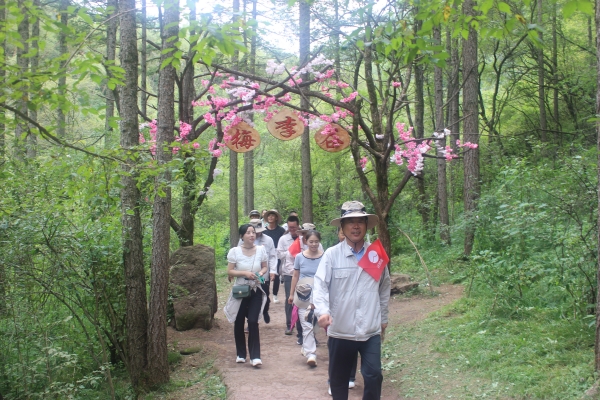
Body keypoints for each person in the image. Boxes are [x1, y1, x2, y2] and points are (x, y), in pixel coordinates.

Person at [314, 201, 391, 400]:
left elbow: (384, 288)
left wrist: (383, 318)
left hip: (370, 330)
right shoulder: (332, 255)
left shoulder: (376, 255)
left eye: (360, 221)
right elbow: (320, 286)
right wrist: (322, 311)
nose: (355, 226)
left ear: (366, 226)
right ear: (342, 226)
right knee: (338, 380)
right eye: (350, 222)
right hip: (341, 329)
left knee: (374, 375)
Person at [224, 224, 269, 367]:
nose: (252, 235)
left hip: (256, 289)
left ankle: (255, 356)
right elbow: (230, 271)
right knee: (239, 321)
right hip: (240, 290)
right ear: (242, 236)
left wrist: (260, 273)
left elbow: (265, 266)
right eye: (248, 232)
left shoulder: (261, 250)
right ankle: (241, 354)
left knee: (253, 321)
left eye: (253, 232)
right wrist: (244, 273)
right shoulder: (234, 251)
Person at [288, 229, 323, 367]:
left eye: (316, 242)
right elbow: (295, 276)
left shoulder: (325, 257)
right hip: (303, 294)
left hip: (320, 294)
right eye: (311, 241)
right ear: (305, 242)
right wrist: (291, 294)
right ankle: (311, 354)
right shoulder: (299, 257)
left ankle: (307, 346)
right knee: (306, 323)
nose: (314, 244)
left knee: (316, 322)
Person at [238, 218, 277, 323]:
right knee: (248, 297)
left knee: (264, 293)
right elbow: (238, 255)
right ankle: (251, 320)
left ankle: (265, 310)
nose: (254, 234)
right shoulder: (243, 240)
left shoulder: (268, 240)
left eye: (256, 232)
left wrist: (273, 271)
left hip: (263, 275)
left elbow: (273, 256)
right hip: (247, 275)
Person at [276, 215, 301, 335]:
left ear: (298, 226)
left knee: (303, 298)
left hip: (302, 273)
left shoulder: (303, 237)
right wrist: (291, 251)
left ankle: (302, 324)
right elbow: (279, 255)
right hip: (288, 273)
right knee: (289, 298)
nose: (292, 229)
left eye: (294, 227)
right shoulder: (283, 239)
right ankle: (289, 325)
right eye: (290, 227)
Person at [262, 209, 286, 304]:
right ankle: (266, 294)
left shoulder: (281, 230)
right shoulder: (264, 230)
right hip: (266, 254)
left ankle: (275, 294)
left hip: (277, 254)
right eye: (269, 215)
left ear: (276, 218)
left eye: (272, 215)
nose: (270, 217)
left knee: (275, 274)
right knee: (265, 274)